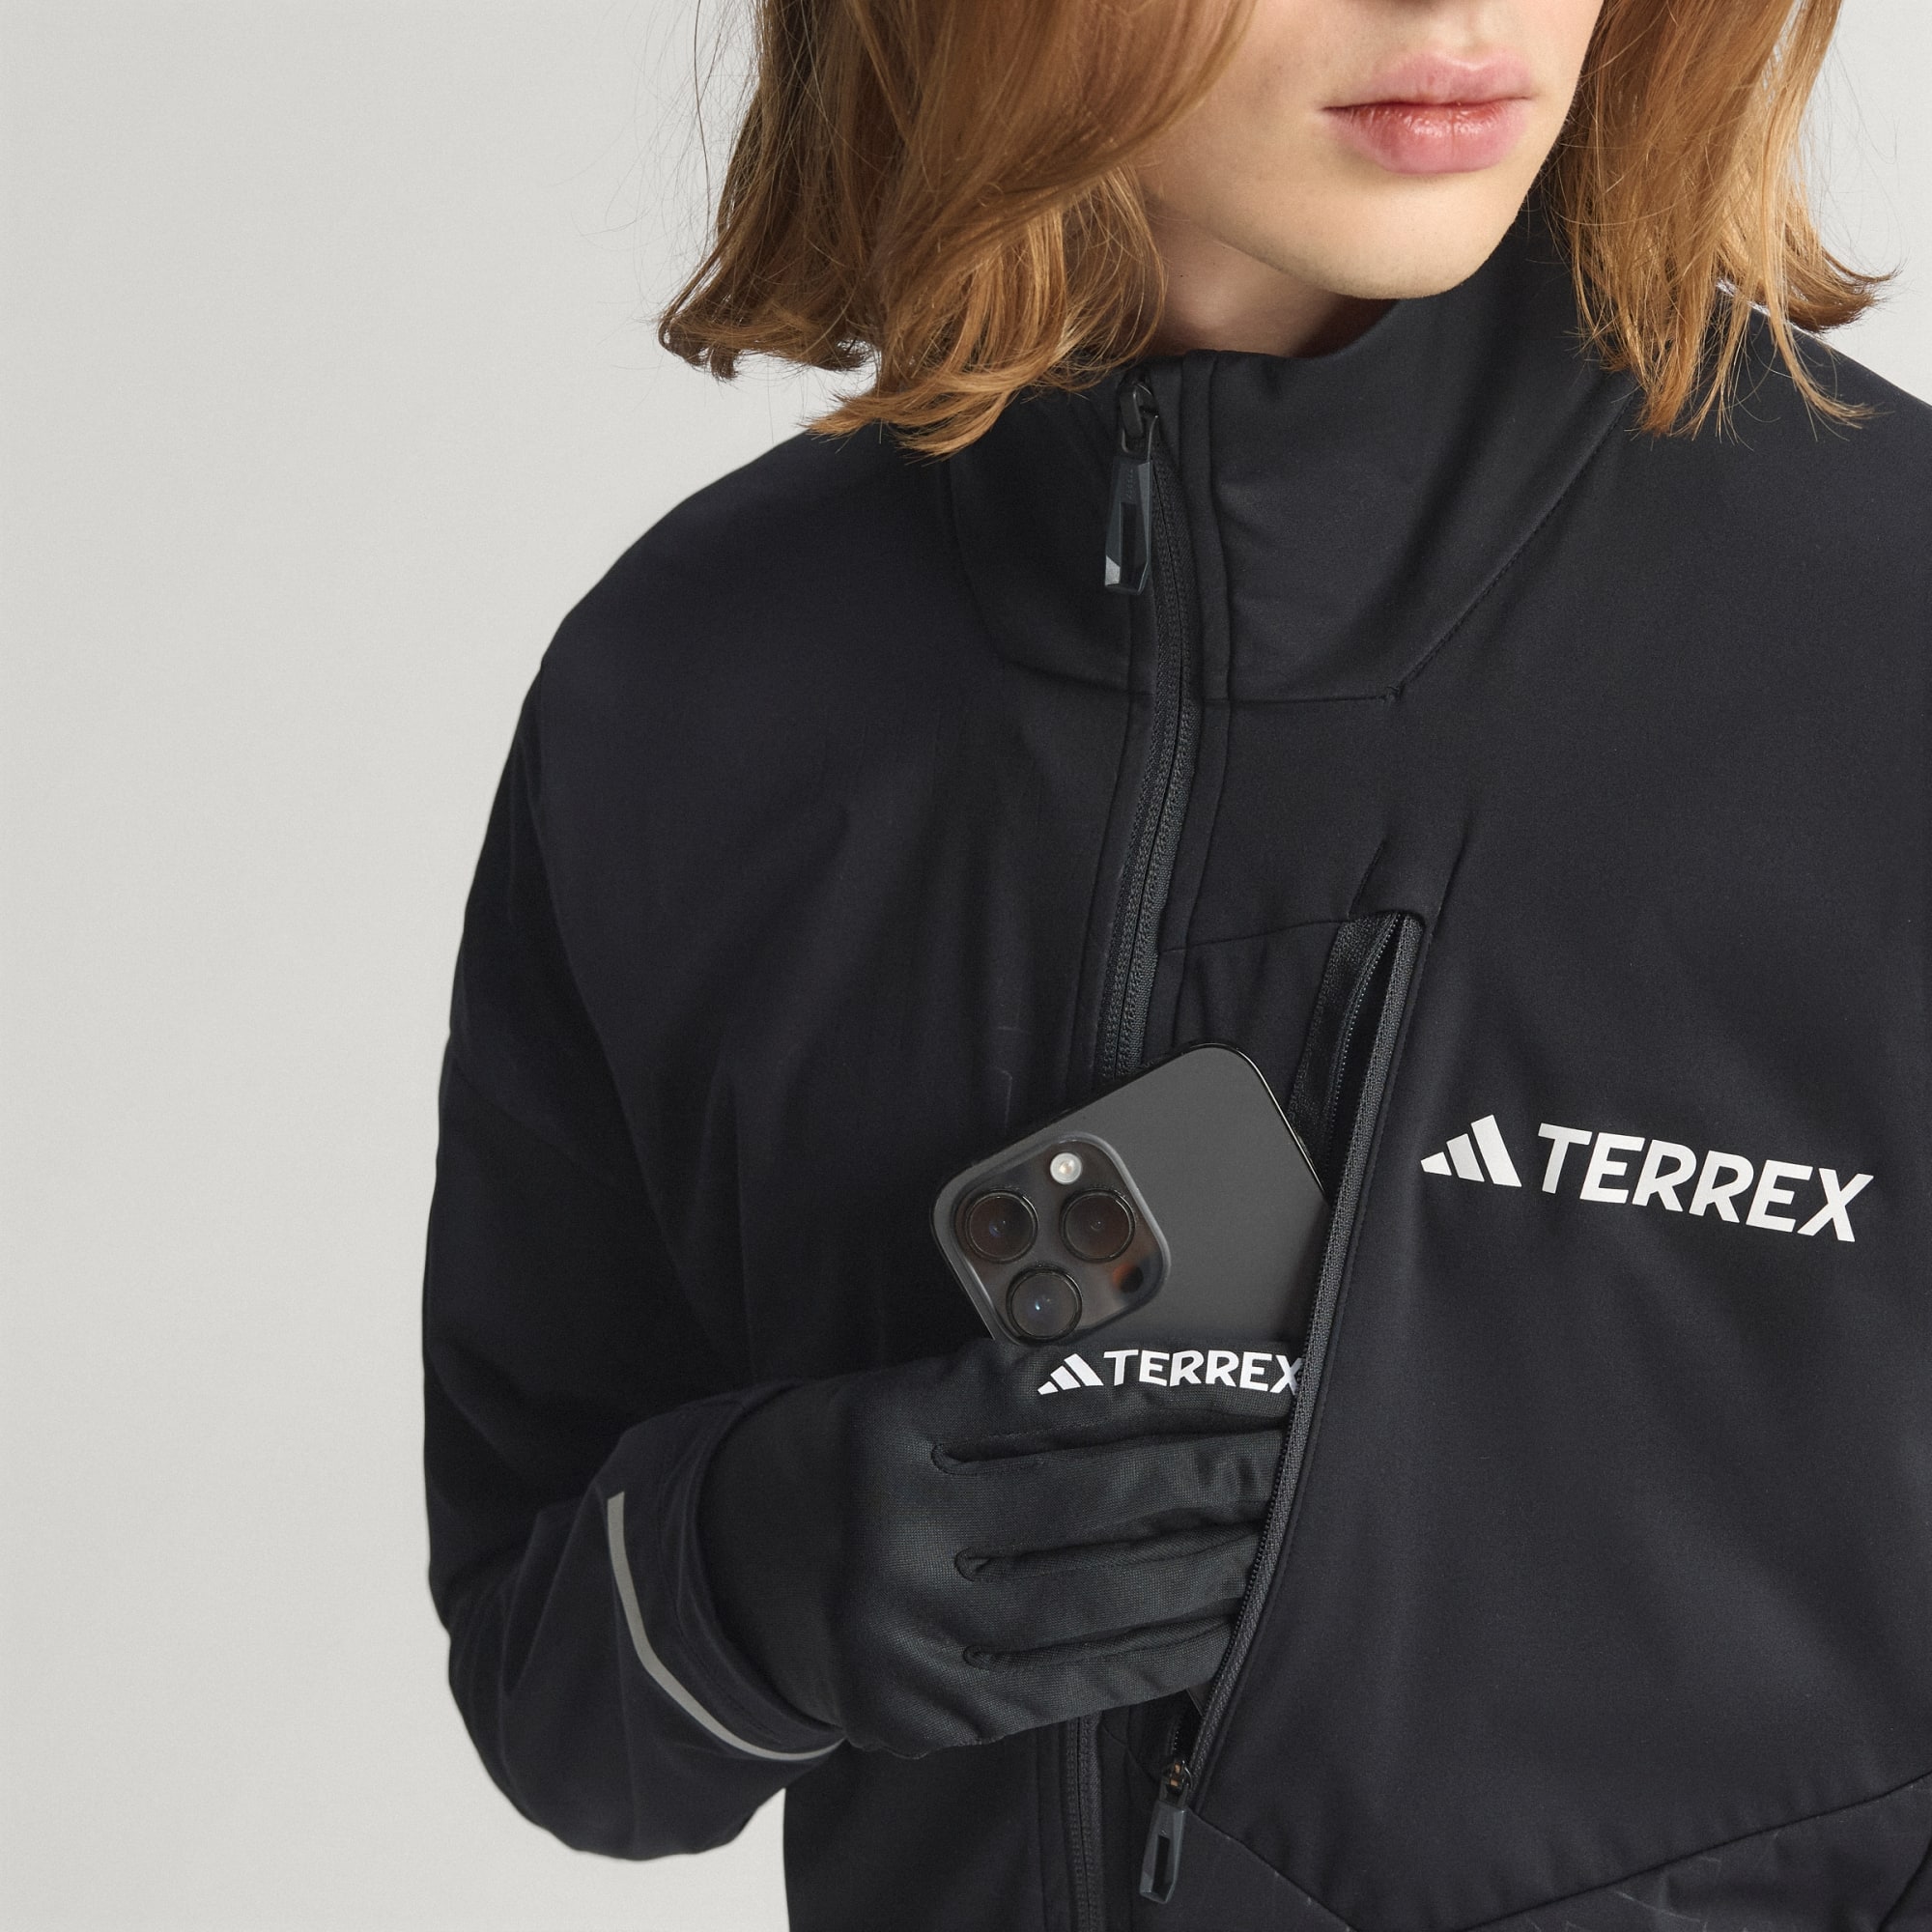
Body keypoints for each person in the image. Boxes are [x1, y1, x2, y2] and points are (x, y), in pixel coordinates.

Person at [420, 0, 1932, 1923]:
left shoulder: (1890, 637)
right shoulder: (692, 684)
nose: (1453, 11)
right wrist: (751, 1577)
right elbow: (556, 1684)